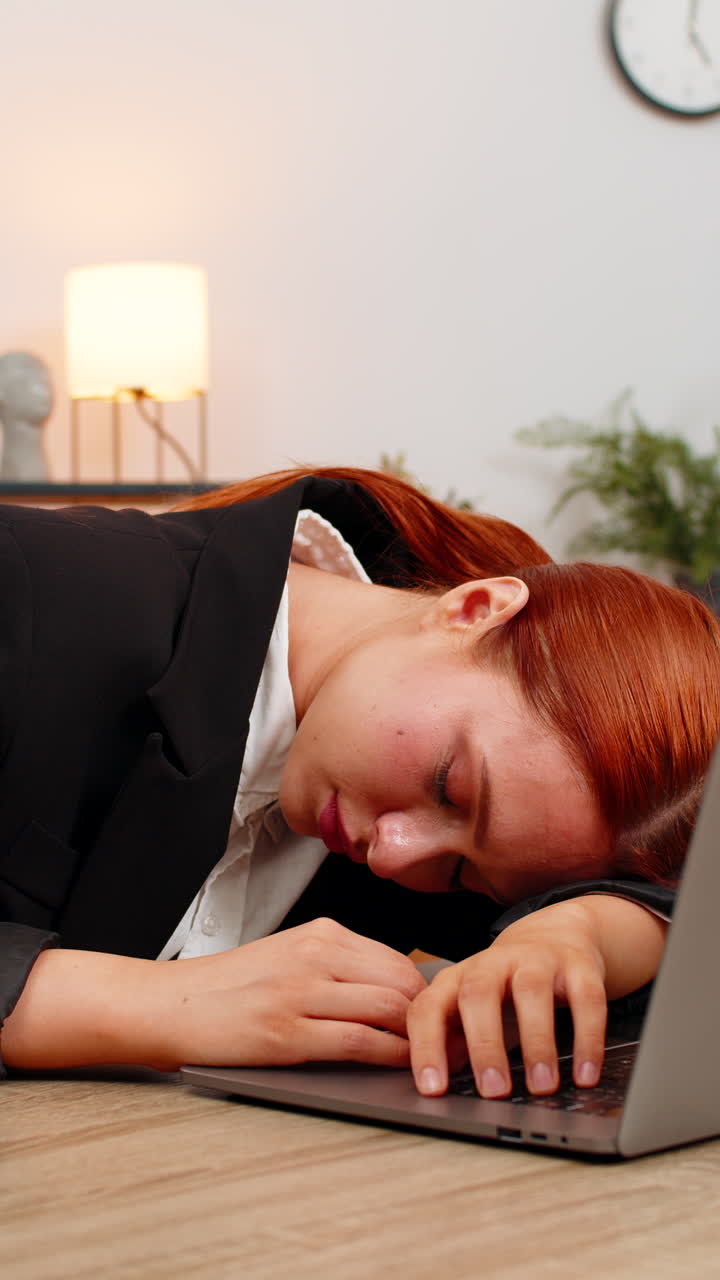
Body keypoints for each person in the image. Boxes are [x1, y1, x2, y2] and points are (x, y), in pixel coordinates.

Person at [1, 466, 718, 1101]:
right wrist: (156, 1004)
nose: (395, 856)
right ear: (476, 610)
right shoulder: (32, 586)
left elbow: (671, 918)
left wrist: (576, 934)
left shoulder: (405, 774)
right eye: (449, 786)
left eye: (461, 872)